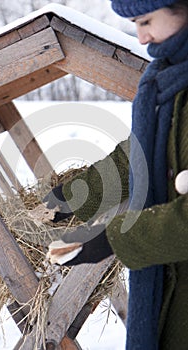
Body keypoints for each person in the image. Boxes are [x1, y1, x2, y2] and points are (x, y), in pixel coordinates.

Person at [44, 1, 188, 349]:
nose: (141, 39)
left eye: (147, 21)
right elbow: (144, 152)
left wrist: (116, 239)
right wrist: (76, 196)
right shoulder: (170, 78)